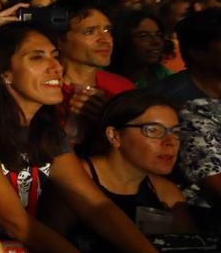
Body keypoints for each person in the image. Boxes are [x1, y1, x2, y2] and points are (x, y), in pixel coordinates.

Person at [0, 22, 157, 252]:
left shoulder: (45, 128)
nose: (56, 66)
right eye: (37, 57)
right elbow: (13, 221)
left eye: (55, 56)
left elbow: (96, 206)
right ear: (5, 74)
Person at [41, 91, 196, 248]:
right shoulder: (73, 181)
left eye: (176, 132)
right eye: (153, 131)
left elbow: (189, 248)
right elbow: (46, 244)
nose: (171, 142)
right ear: (114, 136)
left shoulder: (166, 194)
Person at [53, 0, 136, 143]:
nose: (105, 39)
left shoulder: (121, 88)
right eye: (90, 32)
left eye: (107, 30)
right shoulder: (44, 90)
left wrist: (110, 115)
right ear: (59, 39)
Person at [108, 10, 174, 89]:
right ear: (122, 40)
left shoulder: (165, 78)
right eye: (143, 36)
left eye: (158, 35)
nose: (157, 41)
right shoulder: (101, 80)